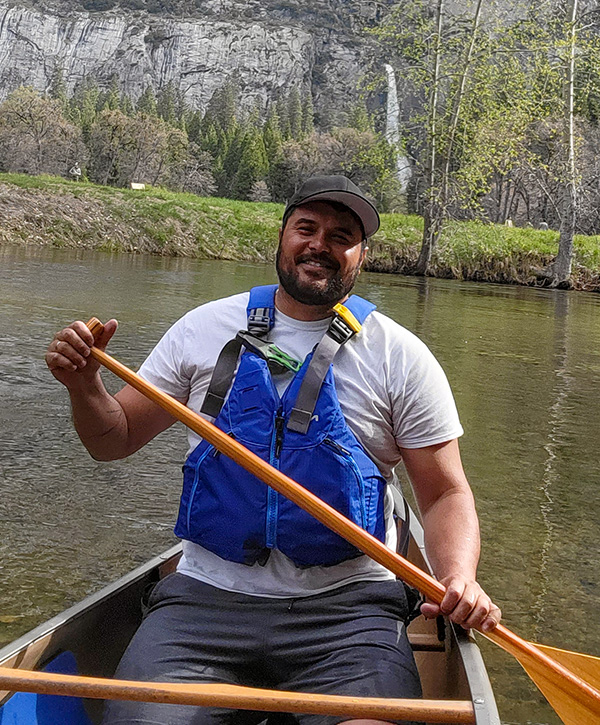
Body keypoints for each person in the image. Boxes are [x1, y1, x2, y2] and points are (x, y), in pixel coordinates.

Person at [45, 175, 501, 725]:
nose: (320, 245)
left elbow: (445, 492)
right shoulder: (203, 328)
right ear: (282, 237)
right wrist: (84, 386)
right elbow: (112, 440)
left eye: (341, 235)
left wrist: (458, 577)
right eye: (306, 228)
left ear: (361, 255)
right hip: (206, 601)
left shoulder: (400, 356)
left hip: (348, 613)